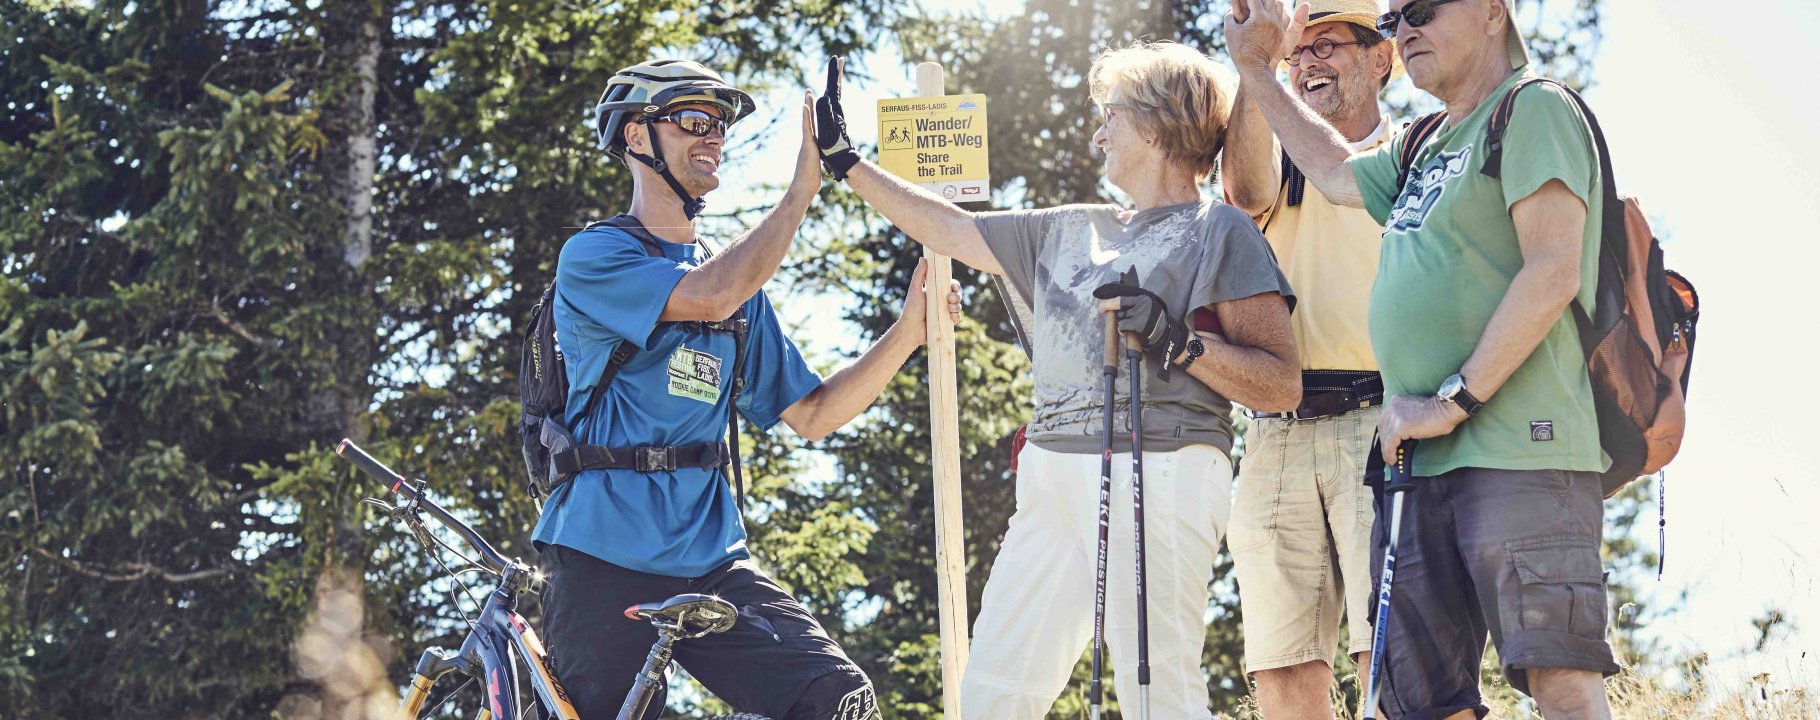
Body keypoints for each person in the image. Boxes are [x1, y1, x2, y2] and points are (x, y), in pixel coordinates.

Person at [810, 43, 1301, 719]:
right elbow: (951, 227)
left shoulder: (1218, 229)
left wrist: (1177, 341)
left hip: (1166, 467)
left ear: (1155, 128)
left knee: (1156, 684)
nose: (1100, 133)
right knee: (994, 689)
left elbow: (1280, 386)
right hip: (1050, 474)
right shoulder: (1068, 228)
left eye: (1112, 117)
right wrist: (845, 162)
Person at [1226, 0, 1622, 717]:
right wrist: (1255, 69)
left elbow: (1554, 268)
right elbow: (1336, 173)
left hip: (1521, 450)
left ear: (1495, 13)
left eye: (1426, 9)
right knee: (1418, 702)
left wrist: (1452, 402)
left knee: (1558, 679)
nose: (1406, 27)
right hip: (1420, 465)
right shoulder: (1422, 144)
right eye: (1396, 14)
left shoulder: (1531, 109)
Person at [533, 59, 961, 720]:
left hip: (708, 562)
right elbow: (707, 297)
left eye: (721, 126)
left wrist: (908, 333)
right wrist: (800, 193)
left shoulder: (736, 293)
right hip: (598, 554)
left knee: (838, 697)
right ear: (637, 138)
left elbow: (813, 414)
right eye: (695, 121)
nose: (715, 138)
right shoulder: (596, 257)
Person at [1218, 1, 1403, 717]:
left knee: (1387, 654)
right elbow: (1243, 193)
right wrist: (1252, 65)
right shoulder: (1274, 143)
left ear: (1381, 58)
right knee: (1283, 668)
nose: (1308, 63)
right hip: (1277, 432)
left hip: (1384, 421)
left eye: (1328, 44)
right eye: (1298, 52)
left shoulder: (1415, 151)